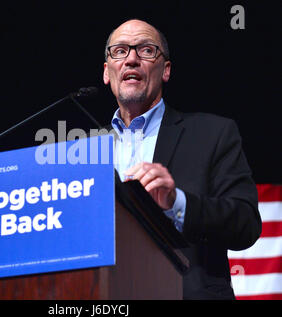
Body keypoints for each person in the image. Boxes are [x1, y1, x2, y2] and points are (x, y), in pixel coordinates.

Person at [103, 19, 262, 299]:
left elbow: (245, 224)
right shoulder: (82, 151)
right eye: (119, 51)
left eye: (146, 50)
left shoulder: (213, 133)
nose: (131, 59)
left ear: (165, 70)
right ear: (107, 72)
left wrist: (177, 202)